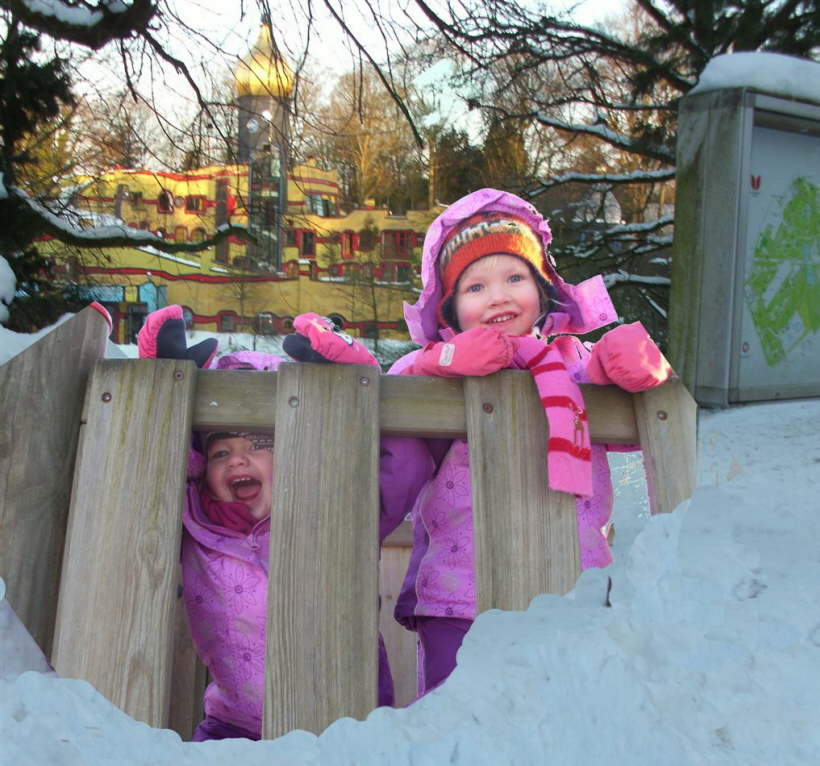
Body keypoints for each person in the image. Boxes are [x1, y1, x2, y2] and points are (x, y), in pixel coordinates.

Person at [381, 188, 673, 696]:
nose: (498, 295)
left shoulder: (574, 362)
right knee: (458, 717)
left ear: (542, 290)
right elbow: (396, 387)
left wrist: (641, 366)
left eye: (515, 277)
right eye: (475, 286)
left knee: (564, 715)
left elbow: (633, 424)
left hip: (570, 581)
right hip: (460, 591)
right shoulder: (436, 364)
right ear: (449, 309)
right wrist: (445, 362)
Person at [137, 306, 400, 740]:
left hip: (347, 721)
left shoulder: (332, 511)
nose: (237, 458)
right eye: (221, 452)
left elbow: (395, 465)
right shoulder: (196, 525)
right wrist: (162, 379)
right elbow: (156, 461)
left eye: (257, 445)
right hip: (233, 724)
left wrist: (356, 377)